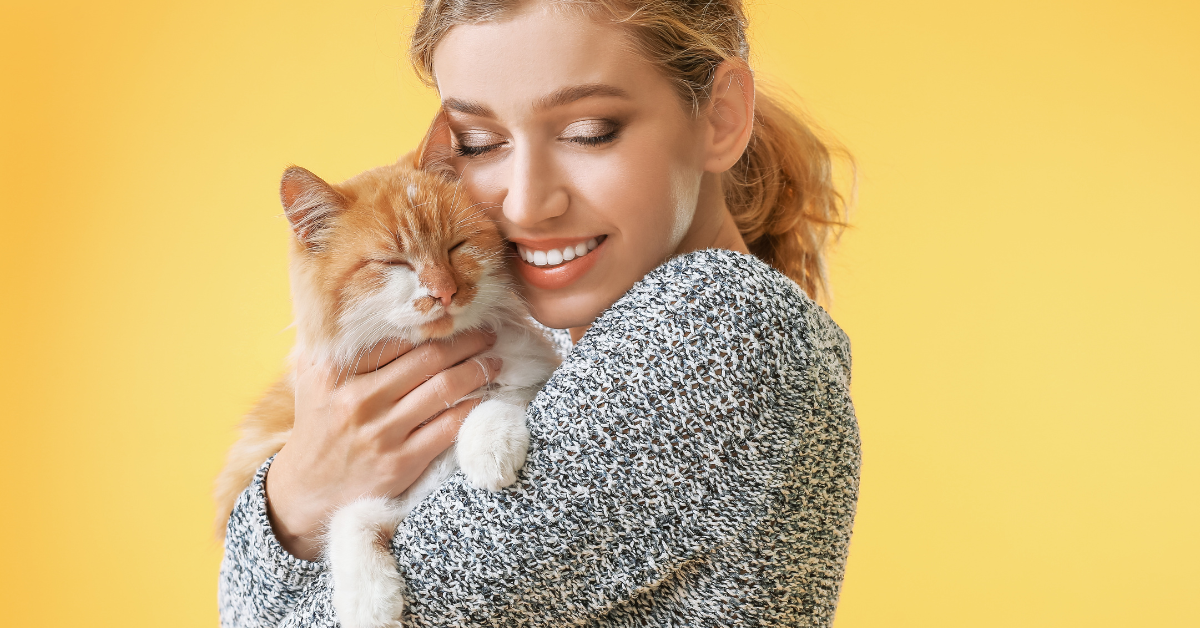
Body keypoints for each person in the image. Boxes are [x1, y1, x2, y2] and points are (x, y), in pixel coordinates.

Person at [219, 0, 860, 625]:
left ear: (720, 118)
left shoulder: (712, 328)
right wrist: (298, 496)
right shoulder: (580, 341)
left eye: (589, 132)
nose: (524, 204)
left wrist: (298, 495)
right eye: (478, 144)